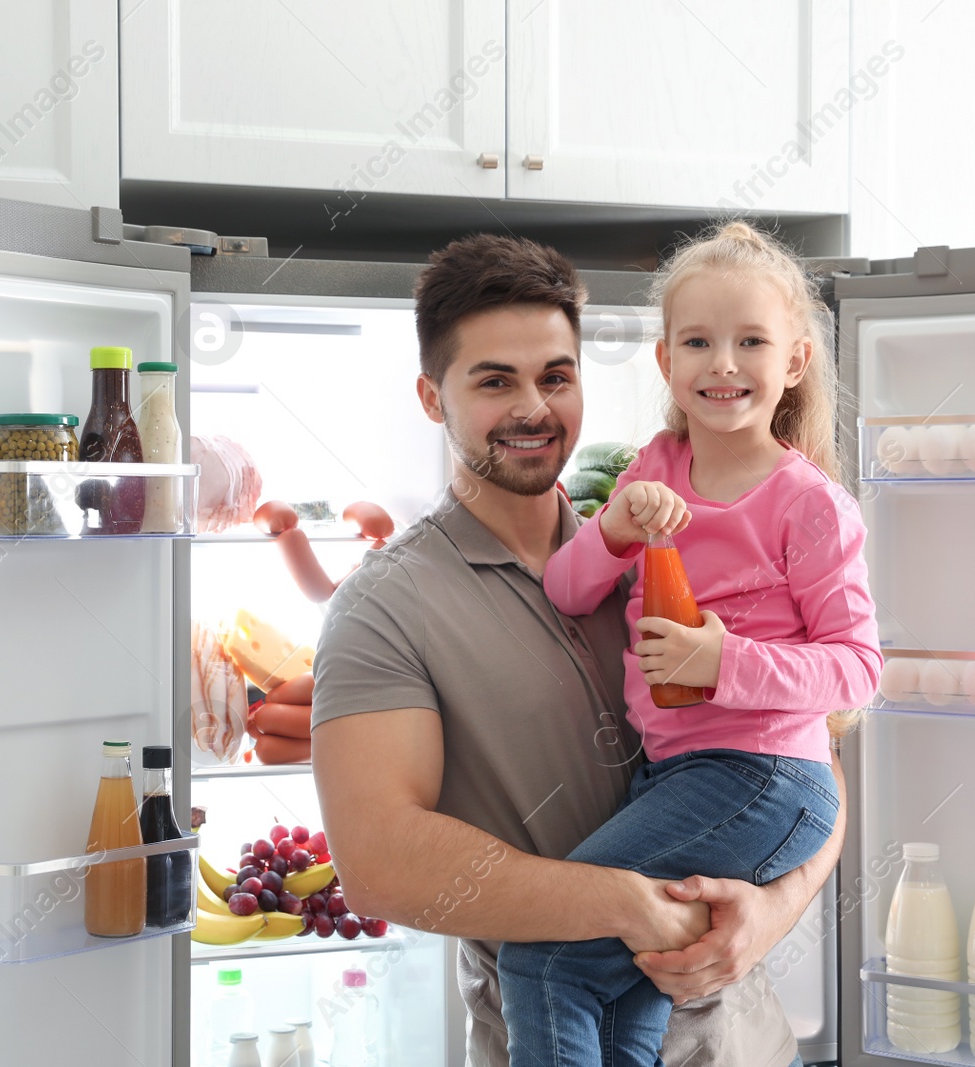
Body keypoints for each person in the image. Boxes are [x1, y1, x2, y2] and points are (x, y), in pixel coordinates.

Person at [310, 232, 846, 1067]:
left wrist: (776, 905)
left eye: (556, 377)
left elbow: (813, 759)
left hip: (738, 1040)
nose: (533, 407)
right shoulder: (386, 606)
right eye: (495, 381)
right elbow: (379, 863)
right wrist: (622, 904)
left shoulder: (659, 530)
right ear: (430, 395)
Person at [493, 221, 882, 1065]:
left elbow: (859, 669)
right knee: (635, 984)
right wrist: (615, 531)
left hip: (767, 777)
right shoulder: (653, 470)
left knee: (540, 956)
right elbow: (566, 589)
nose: (724, 363)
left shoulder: (807, 503)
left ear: (795, 362)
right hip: (674, 777)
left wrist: (724, 662)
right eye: (699, 341)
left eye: (752, 341)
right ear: (667, 361)